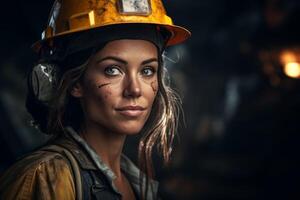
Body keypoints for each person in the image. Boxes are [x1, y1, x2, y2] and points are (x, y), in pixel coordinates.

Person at [0, 0, 190, 199]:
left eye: (147, 70)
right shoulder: (45, 178)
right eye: (113, 70)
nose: (134, 89)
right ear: (75, 83)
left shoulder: (139, 186)